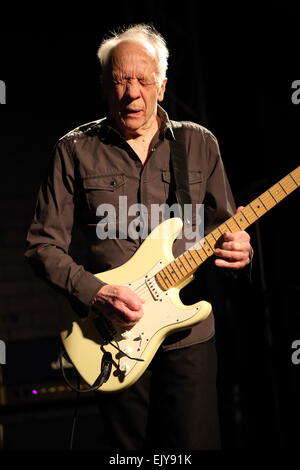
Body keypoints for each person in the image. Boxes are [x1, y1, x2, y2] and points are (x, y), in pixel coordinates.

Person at [25, 24, 252, 450]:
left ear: (162, 86)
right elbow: (41, 246)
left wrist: (242, 250)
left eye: (144, 81)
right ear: (103, 87)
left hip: (189, 337)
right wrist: (96, 293)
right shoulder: (73, 150)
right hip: (114, 337)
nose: (132, 94)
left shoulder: (200, 143)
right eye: (119, 81)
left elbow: (229, 232)